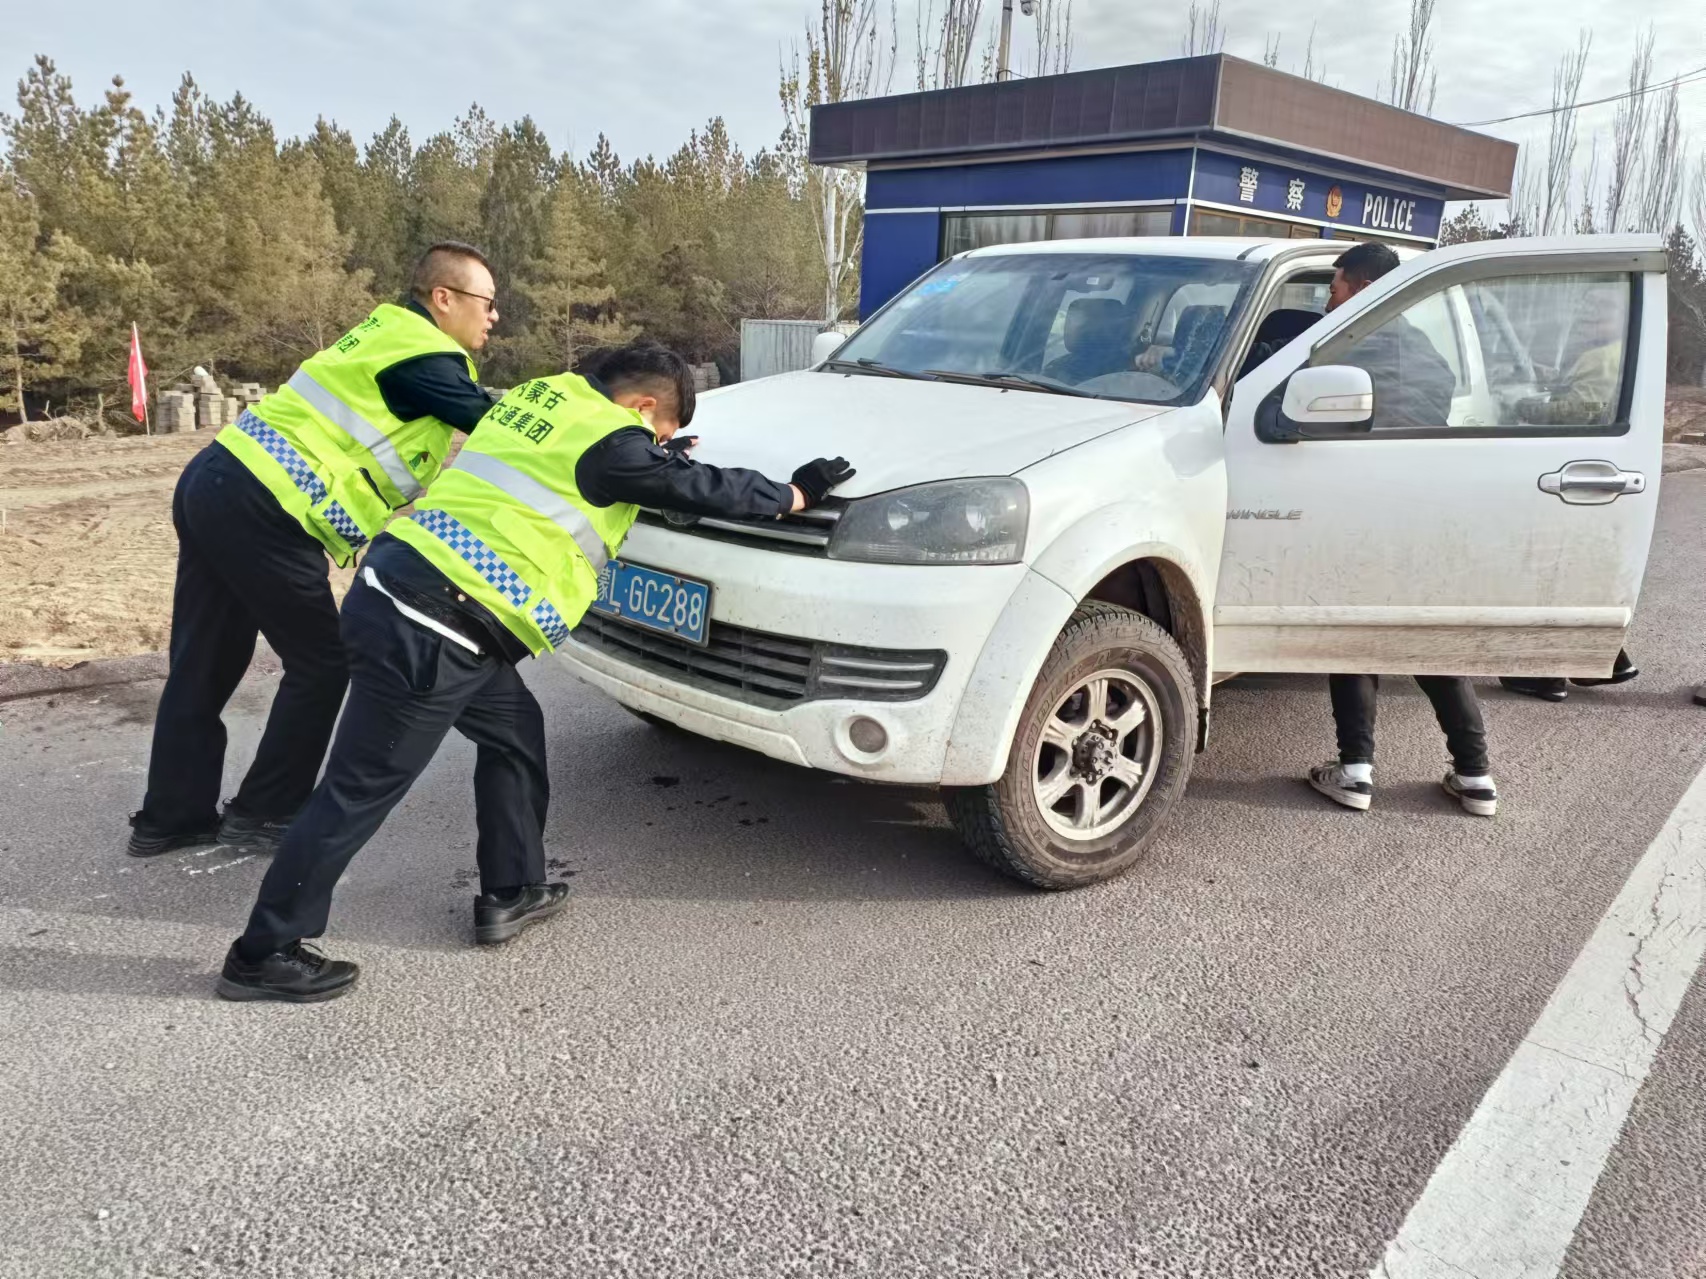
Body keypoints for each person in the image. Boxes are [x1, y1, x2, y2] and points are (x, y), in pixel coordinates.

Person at [216, 341, 856, 1003]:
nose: (659, 445)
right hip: (435, 627)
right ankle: (263, 952)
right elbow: (696, 486)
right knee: (357, 789)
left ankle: (512, 888)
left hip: (423, 600)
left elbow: (602, 467)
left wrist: (656, 455)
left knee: (515, 734)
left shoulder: (541, 399)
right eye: (662, 432)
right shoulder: (614, 444)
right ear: (642, 406)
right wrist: (793, 492)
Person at [128, 242, 502, 860]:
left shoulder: (383, 334)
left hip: (217, 479)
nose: (493, 317)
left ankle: (170, 818)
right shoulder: (424, 354)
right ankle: (265, 812)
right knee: (323, 662)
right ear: (444, 298)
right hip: (268, 505)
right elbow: (499, 423)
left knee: (204, 662)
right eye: (486, 303)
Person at [1303, 242, 1498, 817]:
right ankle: (1476, 776)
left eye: (1334, 288)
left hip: (1365, 509)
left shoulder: (1342, 347)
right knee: (1428, 639)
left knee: (1355, 634)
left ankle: (1355, 771)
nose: (1328, 301)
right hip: (1426, 510)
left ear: (1362, 288)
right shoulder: (1427, 350)